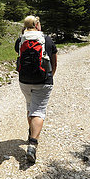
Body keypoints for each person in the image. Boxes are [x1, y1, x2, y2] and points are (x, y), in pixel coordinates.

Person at [15, 15, 57, 163]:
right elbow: (53, 60)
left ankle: (31, 132)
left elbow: (19, 55)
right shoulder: (47, 39)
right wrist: (50, 75)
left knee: (29, 105)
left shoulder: (21, 39)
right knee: (38, 110)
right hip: (43, 80)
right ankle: (32, 144)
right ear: (37, 24)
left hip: (24, 80)